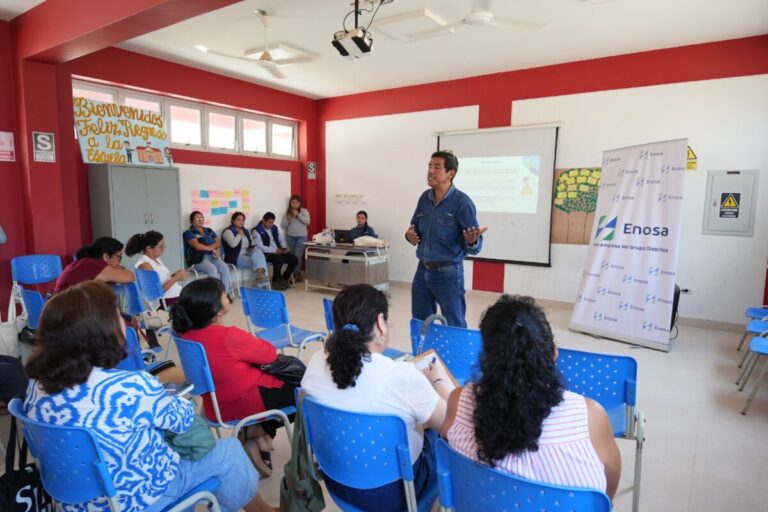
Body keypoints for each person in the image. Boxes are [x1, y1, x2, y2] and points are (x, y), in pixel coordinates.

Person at [23, 280, 274, 512]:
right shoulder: (130, 386)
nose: (124, 320)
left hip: (76, 504)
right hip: (139, 499)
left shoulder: (36, 385)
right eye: (117, 314)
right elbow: (183, 421)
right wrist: (167, 398)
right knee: (229, 451)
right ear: (103, 330)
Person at [443, 295, 621, 500]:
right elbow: (607, 493)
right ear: (554, 354)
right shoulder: (591, 417)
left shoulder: (458, 402)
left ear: (486, 359)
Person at [301, 284, 450, 511]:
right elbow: (451, 426)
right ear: (380, 323)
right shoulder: (402, 376)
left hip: (337, 483)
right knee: (440, 438)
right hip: (395, 494)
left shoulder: (315, 361)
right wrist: (437, 380)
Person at [170, 277, 298, 477]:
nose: (227, 296)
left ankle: (260, 437)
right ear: (217, 311)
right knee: (302, 392)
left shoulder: (183, 335)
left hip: (214, 406)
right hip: (244, 403)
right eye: (223, 295)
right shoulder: (229, 336)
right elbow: (270, 354)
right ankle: (258, 433)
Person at [405, 150, 487, 328]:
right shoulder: (424, 199)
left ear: (451, 173)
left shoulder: (462, 203)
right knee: (420, 323)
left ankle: (455, 349)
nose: (430, 171)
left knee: (454, 324)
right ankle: (424, 348)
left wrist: (471, 241)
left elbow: (475, 245)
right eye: (429, 166)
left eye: (437, 167)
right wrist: (409, 235)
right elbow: (414, 228)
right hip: (422, 271)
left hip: (448, 274)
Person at [125, 230, 188, 310]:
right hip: (164, 302)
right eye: (160, 246)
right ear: (149, 248)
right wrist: (176, 278)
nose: (163, 249)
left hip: (174, 296)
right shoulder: (145, 265)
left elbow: (160, 280)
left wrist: (175, 275)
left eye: (163, 246)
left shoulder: (156, 259)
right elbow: (153, 293)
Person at [54, 237, 135, 294]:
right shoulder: (95, 265)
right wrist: (116, 267)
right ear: (106, 256)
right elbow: (130, 276)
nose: (120, 262)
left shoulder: (88, 262)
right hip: (67, 310)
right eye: (119, 257)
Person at [182, 211, 233, 299]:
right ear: (191, 221)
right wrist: (211, 248)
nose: (200, 220)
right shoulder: (189, 233)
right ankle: (213, 297)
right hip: (198, 259)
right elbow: (196, 245)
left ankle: (224, 295)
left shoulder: (209, 230)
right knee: (212, 269)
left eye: (202, 218)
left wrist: (211, 249)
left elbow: (218, 242)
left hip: (213, 256)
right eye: (197, 218)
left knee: (225, 268)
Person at [253, 212, 297, 291]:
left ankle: (284, 279)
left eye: (272, 222)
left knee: (294, 259)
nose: (271, 224)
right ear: (263, 221)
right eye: (269, 222)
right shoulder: (256, 231)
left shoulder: (274, 228)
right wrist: (274, 250)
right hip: (266, 254)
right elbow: (260, 247)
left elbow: (281, 239)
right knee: (279, 259)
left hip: (278, 251)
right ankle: (276, 281)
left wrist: (284, 248)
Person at [222, 211, 268, 285]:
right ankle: (263, 286)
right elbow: (233, 244)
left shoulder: (245, 231)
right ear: (233, 221)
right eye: (238, 219)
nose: (241, 222)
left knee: (258, 252)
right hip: (235, 257)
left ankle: (261, 278)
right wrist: (239, 235)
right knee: (259, 263)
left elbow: (252, 243)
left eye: (243, 220)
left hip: (247, 253)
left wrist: (251, 247)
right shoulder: (228, 231)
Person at [280, 195, 310, 281]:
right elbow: (283, 225)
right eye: (292, 202)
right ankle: (296, 273)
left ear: (299, 203)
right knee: (293, 257)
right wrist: (288, 219)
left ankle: (295, 274)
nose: (294, 204)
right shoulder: (288, 212)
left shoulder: (304, 211)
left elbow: (307, 221)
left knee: (297, 256)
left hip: (301, 237)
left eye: (296, 203)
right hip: (291, 236)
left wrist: (298, 215)